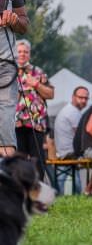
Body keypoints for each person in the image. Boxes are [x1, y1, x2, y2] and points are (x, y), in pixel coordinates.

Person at [0, 0, 29, 158]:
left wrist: (13, 21)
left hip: (5, 62)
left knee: (5, 124)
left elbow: (24, 24)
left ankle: (7, 183)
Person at [15, 39, 54, 175]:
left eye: (25, 52)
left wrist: (36, 85)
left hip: (36, 123)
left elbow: (50, 93)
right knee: (17, 160)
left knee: (37, 160)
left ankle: (37, 191)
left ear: (29, 54)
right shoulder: (7, 72)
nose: (22, 54)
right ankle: (19, 192)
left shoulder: (37, 71)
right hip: (15, 123)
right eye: (19, 51)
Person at [54, 86, 90, 194]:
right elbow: (81, 135)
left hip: (63, 152)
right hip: (70, 152)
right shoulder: (73, 112)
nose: (83, 100)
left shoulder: (68, 109)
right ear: (73, 97)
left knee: (65, 178)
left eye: (86, 98)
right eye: (80, 97)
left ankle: (62, 199)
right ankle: (85, 194)